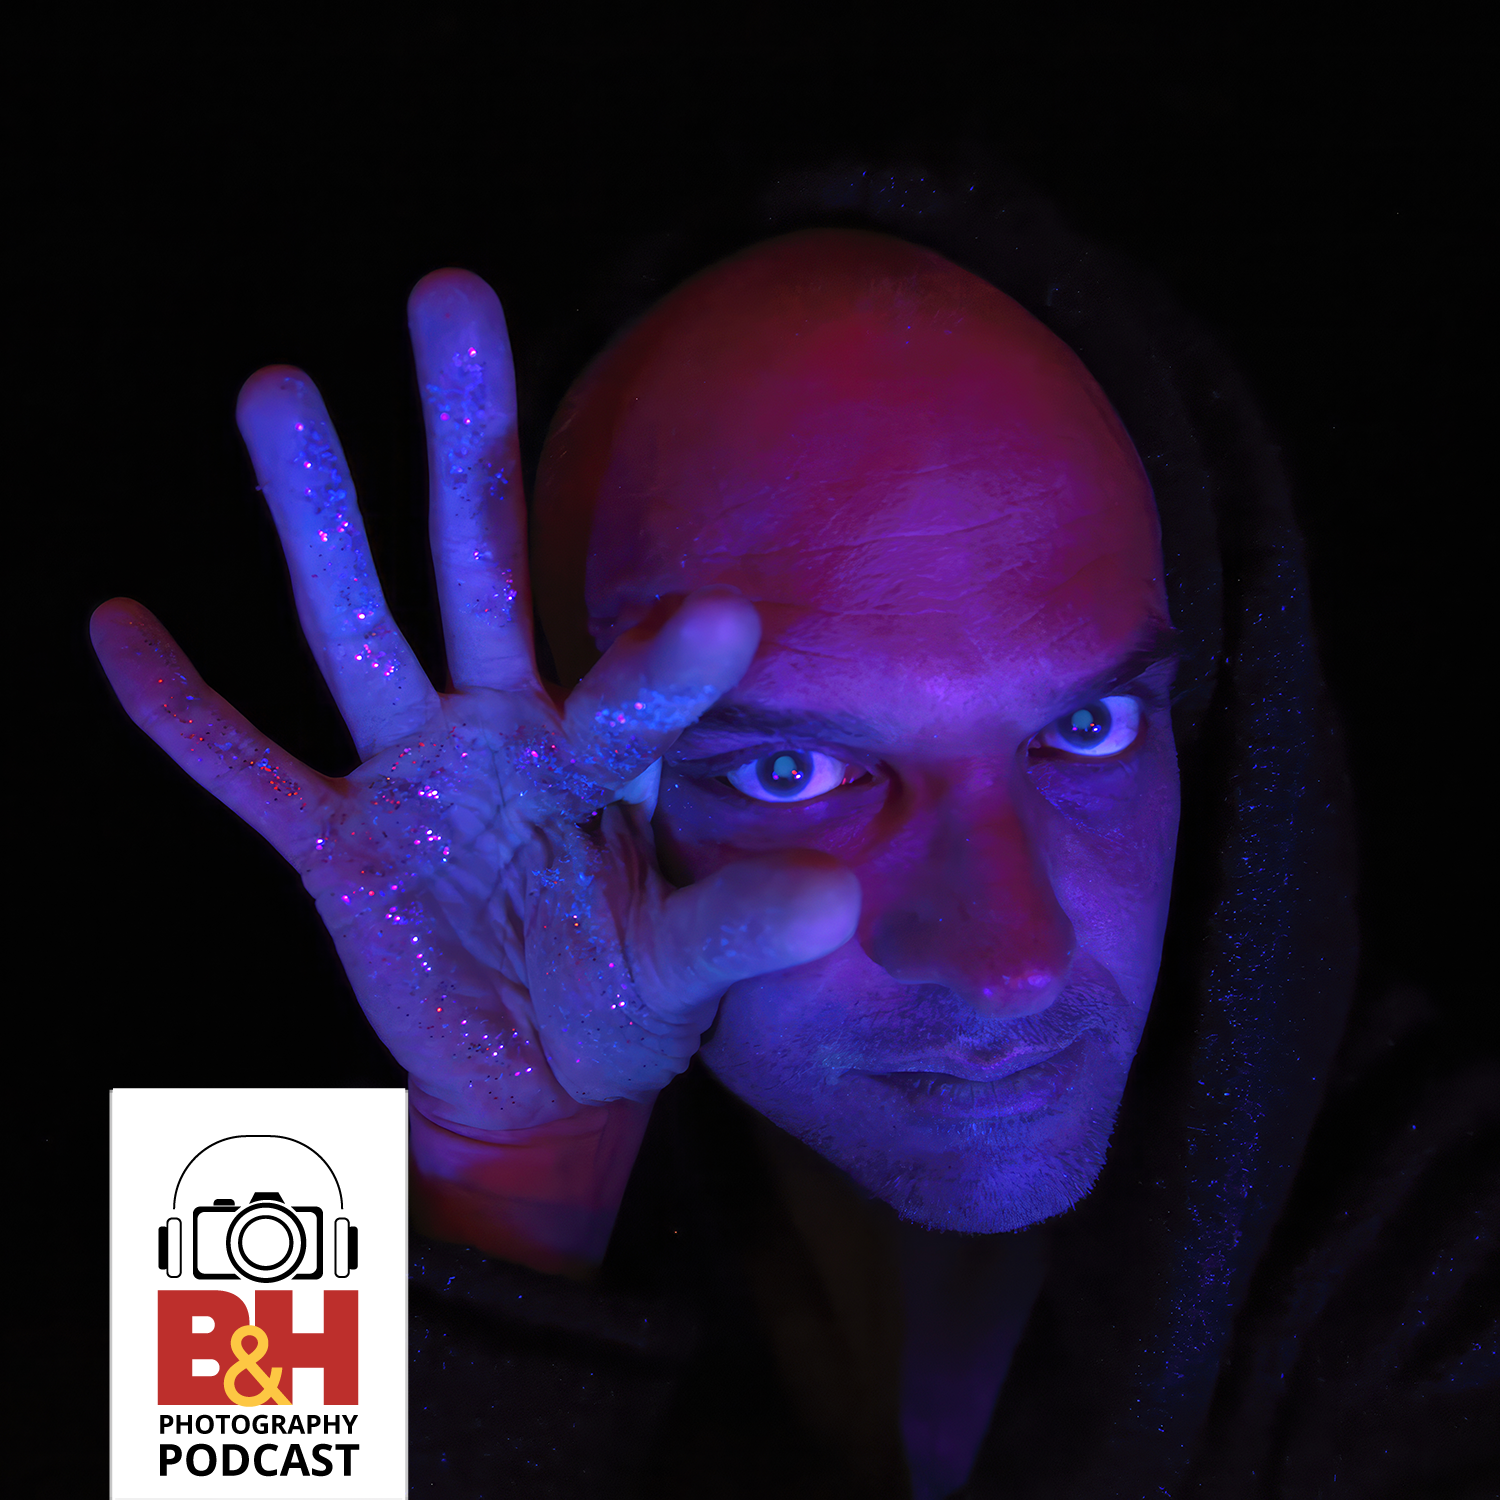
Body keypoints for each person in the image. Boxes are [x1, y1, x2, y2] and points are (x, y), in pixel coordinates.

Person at [93, 169, 1492, 1499]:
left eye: (1086, 730)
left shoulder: (1451, 1247)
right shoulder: (238, 1192)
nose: (1010, 959)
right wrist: (504, 1174)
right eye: (789, 770)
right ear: (548, 759)